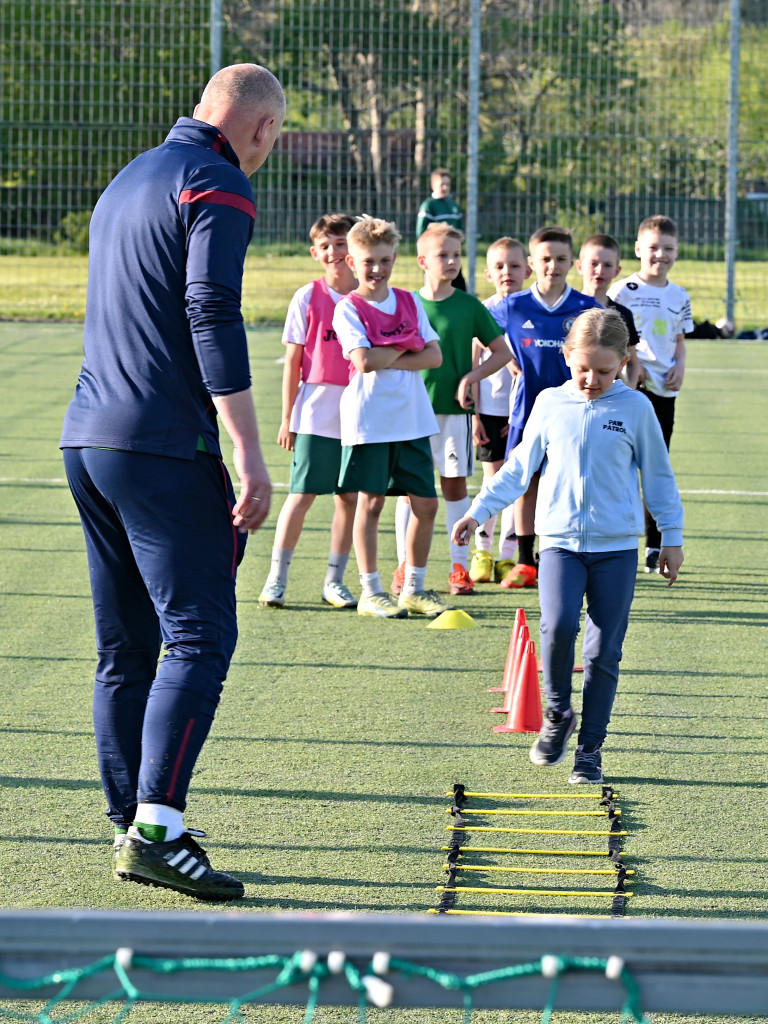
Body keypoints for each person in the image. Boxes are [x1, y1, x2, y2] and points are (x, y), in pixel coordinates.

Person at [60, 63, 286, 901]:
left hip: (89, 439)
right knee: (197, 637)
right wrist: (250, 452)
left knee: (126, 646)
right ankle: (157, 828)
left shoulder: (128, 178)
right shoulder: (215, 180)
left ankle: (132, 821)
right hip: (161, 445)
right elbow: (209, 310)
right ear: (259, 129)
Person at [452, 308, 684, 784]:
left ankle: (590, 749)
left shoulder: (636, 409)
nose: (591, 379)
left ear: (622, 361)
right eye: (582, 368)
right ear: (568, 358)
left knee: (604, 653)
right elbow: (518, 469)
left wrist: (671, 539)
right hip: (558, 542)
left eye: (603, 370)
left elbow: (659, 477)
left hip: (616, 548)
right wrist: (479, 510)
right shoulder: (550, 404)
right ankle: (558, 714)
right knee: (556, 629)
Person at [332, 216, 449, 619]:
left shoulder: (410, 301)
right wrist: (407, 345)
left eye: (384, 260)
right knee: (372, 502)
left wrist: (392, 351)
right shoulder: (348, 308)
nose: (377, 269)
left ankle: (413, 588)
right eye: (368, 262)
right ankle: (370, 591)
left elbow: (434, 356)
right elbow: (363, 361)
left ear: (395, 258)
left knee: (426, 505)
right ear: (352, 262)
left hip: (413, 418)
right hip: (369, 419)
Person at [393, 223, 510, 597]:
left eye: (457, 255)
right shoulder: (404, 303)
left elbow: (503, 352)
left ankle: (459, 568)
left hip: (454, 415)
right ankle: (405, 564)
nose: (452, 261)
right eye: (443, 254)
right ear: (422, 261)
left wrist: (470, 378)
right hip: (410, 415)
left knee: (454, 487)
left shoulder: (470, 306)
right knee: (410, 492)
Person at [488, 226, 601, 589]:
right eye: (546, 259)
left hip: (577, 411)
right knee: (526, 482)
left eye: (561, 259)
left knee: (575, 482)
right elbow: (481, 337)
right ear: (532, 264)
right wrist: (499, 362)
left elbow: (612, 350)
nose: (553, 265)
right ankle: (525, 562)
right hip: (528, 411)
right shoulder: (513, 305)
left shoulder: (587, 307)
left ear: (573, 262)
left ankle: (571, 557)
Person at [258, 213, 359, 610]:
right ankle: (276, 578)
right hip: (317, 408)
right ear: (315, 253)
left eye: (342, 243)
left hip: (359, 409)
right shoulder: (307, 296)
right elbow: (295, 361)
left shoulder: (367, 296)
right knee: (301, 495)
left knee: (348, 497)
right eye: (327, 245)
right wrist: (288, 417)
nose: (335, 252)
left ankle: (334, 581)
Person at [608, 215, 693, 573]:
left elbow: (679, 339)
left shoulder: (679, 295)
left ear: (677, 252)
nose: (661, 255)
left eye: (668, 249)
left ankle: (654, 544)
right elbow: (612, 333)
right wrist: (634, 363)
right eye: (654, 248)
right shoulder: (621, 291)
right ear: (639, 249)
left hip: (663, 390)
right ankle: (616, 538)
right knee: (619, 463)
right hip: (629, 386)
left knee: (656, 465)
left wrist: (680, 367)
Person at [469, 237, 531, 587]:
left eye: (515, 265)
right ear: (489, 273)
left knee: (519, 484)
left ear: (528, 269)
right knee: (494, 480)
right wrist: (476, 413)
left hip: (522, 411)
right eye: (499, 266)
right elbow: (475, 360)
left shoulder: (533, 308)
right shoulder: (485, 310)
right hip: (491, 410)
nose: (507, 272)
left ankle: (509, 556)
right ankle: (482, 551)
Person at [577, 233, 641, 389]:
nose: (600, 270)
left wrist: (629, 391)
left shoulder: (623, 314)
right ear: (580, 266)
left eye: (607, 265)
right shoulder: (567, 308)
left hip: (607, 399)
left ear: (617, 270)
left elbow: (633, 362)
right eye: (593, 263)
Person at [415, 168, 466, 290]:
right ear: (433, 185)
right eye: (442, 184)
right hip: (437, 254)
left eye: (447, 184)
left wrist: (459, 235)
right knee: (435, 286)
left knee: (459, 286)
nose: (445, 187)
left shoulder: (453, 205)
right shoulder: (429, 205)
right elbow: (421, 232)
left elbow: (460, 229)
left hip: (451, 253)